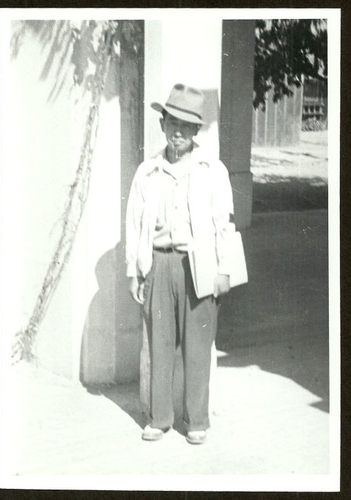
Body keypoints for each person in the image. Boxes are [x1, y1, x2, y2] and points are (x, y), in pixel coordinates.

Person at [125, 83, 236, 445]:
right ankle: (160, 418)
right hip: (159, 265)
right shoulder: (148, 171)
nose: (178, 132)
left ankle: (197, 420)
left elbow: (224, 222)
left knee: (198, 346)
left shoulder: (211, 170)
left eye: (187, 126)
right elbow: (134, 221)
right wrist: (134, 271)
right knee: (159, 344)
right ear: (163, 124)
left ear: (196, 131)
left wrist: (224, 269)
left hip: (199, 266)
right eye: (173, 122)